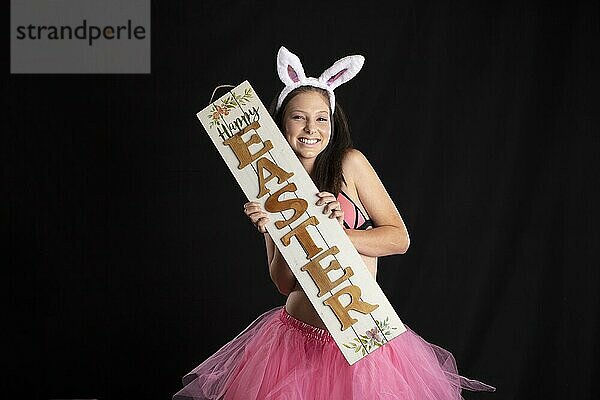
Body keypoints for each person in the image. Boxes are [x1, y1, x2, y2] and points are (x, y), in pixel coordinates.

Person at [173, 46, 495, 399]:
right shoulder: (269, 186)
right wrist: (276, 232)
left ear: (332, 121)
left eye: (321, 118)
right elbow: (284, 283)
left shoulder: (350, 164)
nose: (311, 128)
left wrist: (338, 233)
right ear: (281, 122)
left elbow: (398, 239)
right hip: (292, 342)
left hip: (359, 337)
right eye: (298, 118)